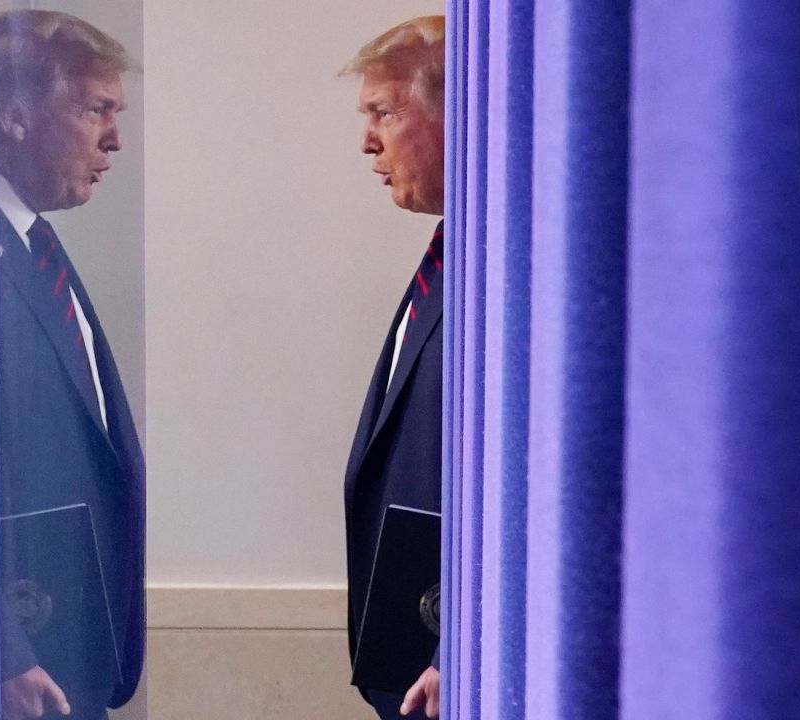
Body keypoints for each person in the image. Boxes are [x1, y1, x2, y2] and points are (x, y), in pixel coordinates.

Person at [0, 11, 144, 720]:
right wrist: (1, 648)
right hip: (20, 673)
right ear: (15, 115)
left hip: (73, 657)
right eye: (95, 110)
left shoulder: (34, 246)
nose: (114, 139)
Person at [340, 15, 447, 719]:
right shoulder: (452, 254)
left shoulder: (522, 269)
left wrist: (460, 644)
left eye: (385, 112)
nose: (367, 141)